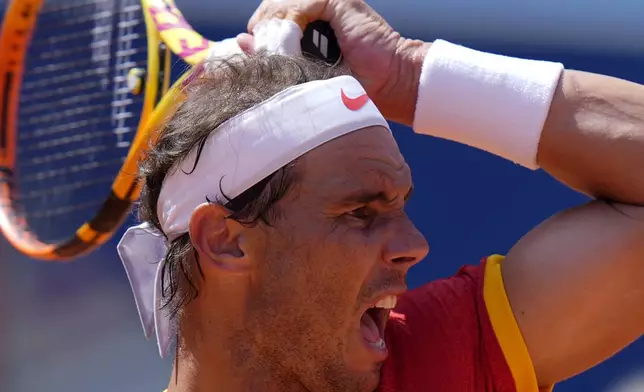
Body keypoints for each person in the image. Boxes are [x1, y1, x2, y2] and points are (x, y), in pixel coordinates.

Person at [118, 2, 644, 391]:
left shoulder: (432, 356)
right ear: (226, 241)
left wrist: (410, 74)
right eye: (361, 212)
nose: (414, 245)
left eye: (399, 206)